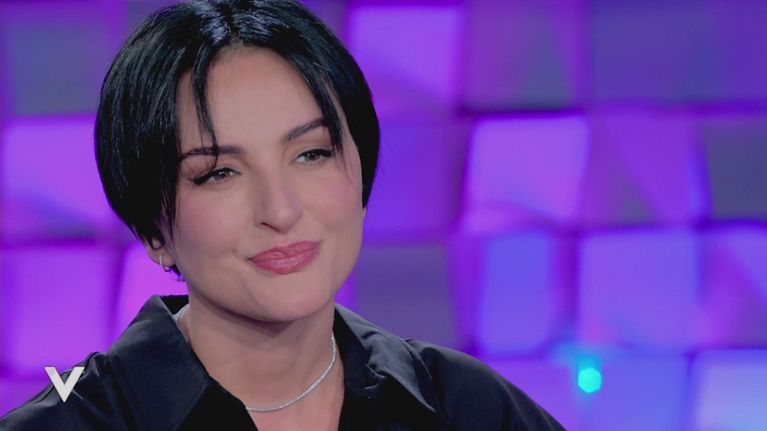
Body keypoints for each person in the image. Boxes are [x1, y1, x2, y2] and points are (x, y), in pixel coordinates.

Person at [0, 1, 564, 429]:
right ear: (154, 229)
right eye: (219, 172)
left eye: (311, 154)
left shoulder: (466, 407)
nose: (281, 209)